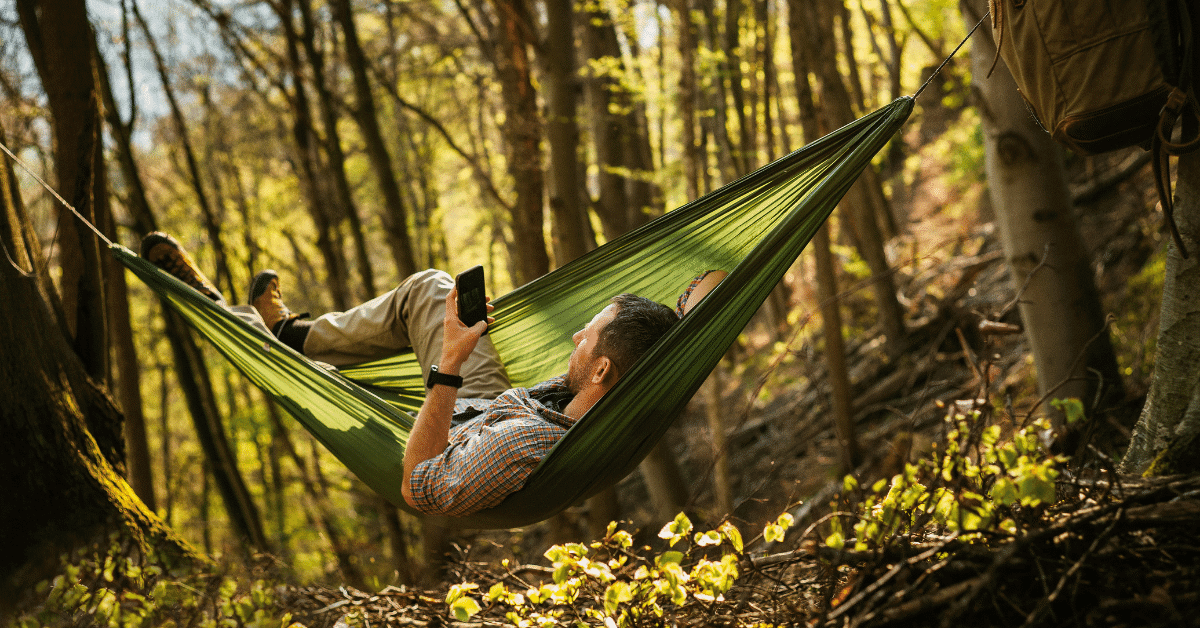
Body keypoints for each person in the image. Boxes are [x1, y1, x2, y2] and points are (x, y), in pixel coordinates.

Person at [140, 232, 717, 517]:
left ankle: (227, 312)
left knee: (305, 377)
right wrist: (686, 325)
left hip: (446, 435)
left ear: (603, 368)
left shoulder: (522, 446)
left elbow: (420, 487)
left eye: (585, 336)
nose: (574, 336)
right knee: (432, 289)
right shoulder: (616, 390)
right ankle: (294, 330)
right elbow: (651, 354)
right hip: (489, 406)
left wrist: (449, 364)